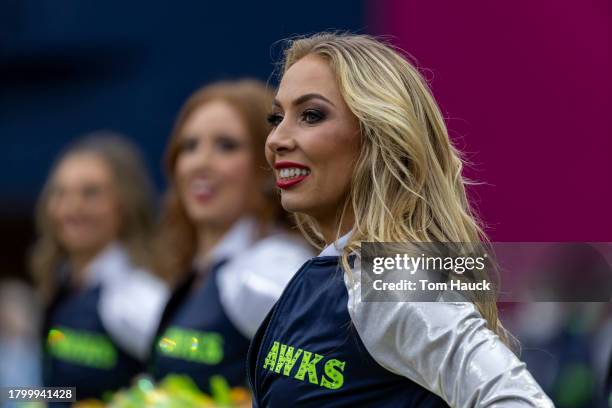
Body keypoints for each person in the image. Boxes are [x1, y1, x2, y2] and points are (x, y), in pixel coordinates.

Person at [247, 33, 554, 407]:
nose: (277, 138)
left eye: (311, 115)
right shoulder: (339, 269)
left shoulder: (390, 280)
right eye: (276, 118)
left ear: (379, 135)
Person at [148, 80, 312, 394]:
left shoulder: (269, 267)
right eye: (189, 146)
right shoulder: (198, 270)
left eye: (226, 146)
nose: (200, 163)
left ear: (269, 163)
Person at [31, 133, 168, 401]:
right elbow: (59, 394)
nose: (72, 207)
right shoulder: (63, 285)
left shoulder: (134, 295)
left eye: (90, 193)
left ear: (126, 204)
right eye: (60, 193)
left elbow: (187, 375)